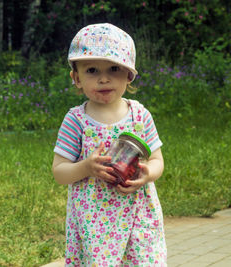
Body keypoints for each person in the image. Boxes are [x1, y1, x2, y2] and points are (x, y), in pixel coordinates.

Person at [52, 23, 167, 266]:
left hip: (139, 215)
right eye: (92, 70)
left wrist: (147, 174)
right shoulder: (77, 120)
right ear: (76, 78)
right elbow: (59, 172)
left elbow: (156, 160)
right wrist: (86, 167)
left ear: (129, 74)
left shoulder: (140, 115)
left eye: (114, 68)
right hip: (94, 222)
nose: (104, 78)